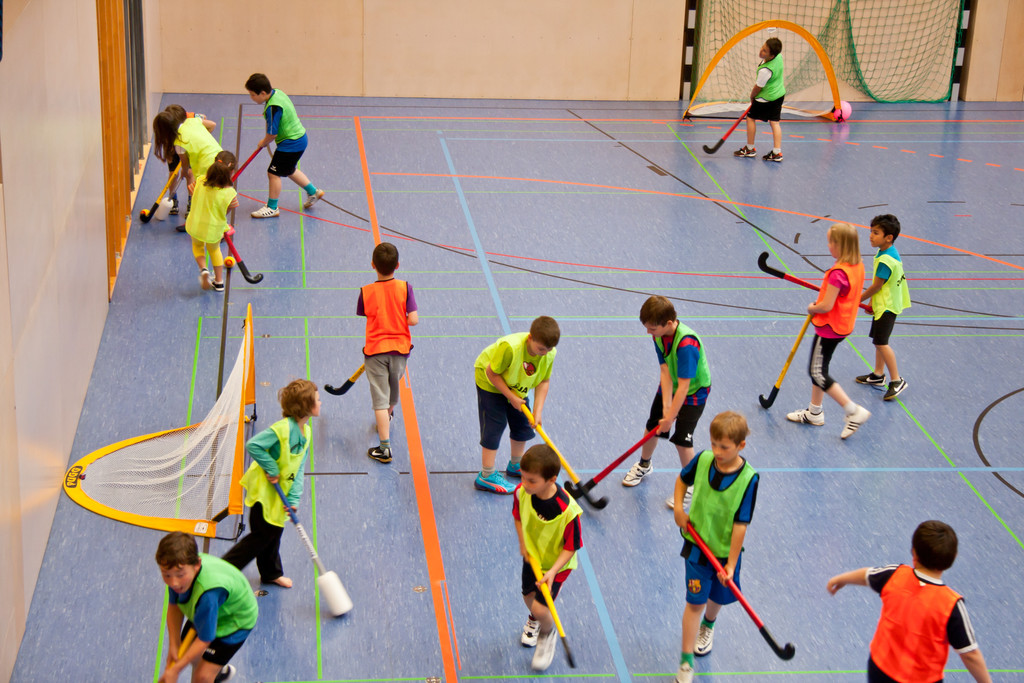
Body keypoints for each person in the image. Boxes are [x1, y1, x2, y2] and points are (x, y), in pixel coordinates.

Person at [826, 521, 992, 683]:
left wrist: (842, 579)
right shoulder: (952, 605)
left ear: (914, 553)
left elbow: (867, 575)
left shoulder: (894, 575)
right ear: (952, 558)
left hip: (880, 669)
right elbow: (970, 654)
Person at [672, 411, 758, 683]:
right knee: (694, 603)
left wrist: (730, 564)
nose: (717, 452)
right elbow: (682, 480)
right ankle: (686, 663)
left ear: (741, 445)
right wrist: (679, 508)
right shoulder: (703, 459)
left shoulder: (749, 479)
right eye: (713, 444)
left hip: (724, 553)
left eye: (724, 447)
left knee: (717, 597)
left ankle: (708, 626)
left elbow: (741, 524)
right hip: (697, 548)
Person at [222, 379, 321, 588]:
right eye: (317, 400)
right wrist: (271, 467)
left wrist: (293, 498)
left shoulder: (307, 432)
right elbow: (253, 445)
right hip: (264, 494)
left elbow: (299, 468)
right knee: (260, 537)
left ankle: (270, 573)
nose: (320, 403)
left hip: (280, 493)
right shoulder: (282, 429)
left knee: (274, 534)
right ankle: (223, 570)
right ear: (306, 406)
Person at [622, 296, 711, 512]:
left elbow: (684, 386)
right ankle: (644, 465)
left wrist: (670, 418)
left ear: (669, 323)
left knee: (682, 440)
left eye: (652, 328)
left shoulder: (686, 345)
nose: (648, 332)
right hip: (672, 384)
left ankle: (691, 484)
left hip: (694, 392)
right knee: (652, 427)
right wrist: (665, 409)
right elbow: (664, 370)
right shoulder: (659, 336)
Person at [786, 222, 871, 439]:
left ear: (841, 245)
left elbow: (826, 306)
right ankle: (815, 412)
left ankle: (853, 410)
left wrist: (812, 307)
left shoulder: (838, 274)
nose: (828, 246)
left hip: (829, 327)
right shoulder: (857, 266)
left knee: (817, 372)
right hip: (843, 325)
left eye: (831, 242)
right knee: (820, 367)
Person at [513, 444, 583, 672]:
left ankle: (547, 633)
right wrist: (522, 543)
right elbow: (518, 515)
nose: (525, 484)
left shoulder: (568, 511)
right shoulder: (522, 492)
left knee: (542, 609)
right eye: (523, 477)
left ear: (551, 480)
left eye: (532, 480)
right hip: (533, 556)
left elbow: (572, 547)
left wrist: (552, 571)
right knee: (528, 596)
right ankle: (535, 619)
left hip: (556, 567)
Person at [473, 316, 560, 494]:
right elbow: (492, 373)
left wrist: (537, 411)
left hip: (516, 382)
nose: (544, 353)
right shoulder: (510, 348)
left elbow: (543, 381)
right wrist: (511, 397)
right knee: (495, 424)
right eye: (541, 349)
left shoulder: (548, 353)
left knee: (522, 423)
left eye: (549, 349)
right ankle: (486, 475)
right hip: (490, 381)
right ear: (530, 338)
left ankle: (516, 464)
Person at [155, 531, 257, 683]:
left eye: (179, 575)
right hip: (211, 610)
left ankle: (213, 670)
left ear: (197, 565)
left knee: (201, 677)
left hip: (234, 621)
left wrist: (175, 670)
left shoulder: (207, 596)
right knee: (189, 652)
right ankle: (217, 669)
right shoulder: (178, 568)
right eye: (166, 575)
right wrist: (174, 645)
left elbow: (205, 639)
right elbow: (175, 606)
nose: (173, 582)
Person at [357, 242, 419, 463]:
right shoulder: (406, 288)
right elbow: (413, 320)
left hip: (375, 351)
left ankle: (384, 448)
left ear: (373, 265)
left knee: (379, 400)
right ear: (398, 265)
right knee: (393, 390)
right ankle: (388, 416)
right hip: (400, 351)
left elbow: (367, 313)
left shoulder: (366, 292)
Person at [244, 73, 324, 218]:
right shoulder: (277, 93)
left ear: (263, 93)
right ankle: (313, 192)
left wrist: (263, 142)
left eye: (252, 95)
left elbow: (272, 134)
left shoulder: (273, 107)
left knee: (273, 173)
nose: (251, 98)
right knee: (288, 169)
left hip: (290, 144)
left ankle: (272, 207)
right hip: (300, 138)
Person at [856, 214, 910, 400]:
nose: (871, 236)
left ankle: (897, 380)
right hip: (883, 304)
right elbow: (883, 285)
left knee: (881, 343)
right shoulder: (887, 252)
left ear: (889, 237)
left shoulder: (886, 260)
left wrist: (857, 299)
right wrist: (872, 302)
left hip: (888, 306)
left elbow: (877, 286)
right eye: (871, 231)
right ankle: (878, 375)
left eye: (876, 233)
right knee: (878, 340)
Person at [152, 106, 223, 231]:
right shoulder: (193, 121)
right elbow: (211, 124)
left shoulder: (179, 142)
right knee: (209, 195)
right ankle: (200, 222)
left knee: (201, 195)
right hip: (220, 157)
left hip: (206, 165)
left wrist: (184, 172)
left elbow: (184, 164)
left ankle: (204, 225)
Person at [184, 151, 238, 292]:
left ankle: (203, 269)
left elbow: (192, 191)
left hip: (195, 224)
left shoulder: (200, 180)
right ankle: (219, 282)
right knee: (214, 250)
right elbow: (227, 209)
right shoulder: (230, 193)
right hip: (213, 228)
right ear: (231, 172)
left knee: (197, 246)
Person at [733, 37, 785, 162]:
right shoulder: (779, 57)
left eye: (765, 51)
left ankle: (750, 149)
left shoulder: (765, 71)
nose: (761, 51)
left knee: (751, 118)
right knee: (775, 122)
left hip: (766, 98)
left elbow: (758, 88)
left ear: (772, 55)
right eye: (763, 47)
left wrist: (752, 97)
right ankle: (777, 153)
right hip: (779, 95)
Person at [163, 105, 217, 216]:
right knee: (173, 174)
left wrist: (197, 138)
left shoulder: (191, 117)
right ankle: (173, 200)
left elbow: (208, 122)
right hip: (173, 146)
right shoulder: (167, 126)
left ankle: (191, 202)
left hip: (186, 145)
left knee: (189, 173)